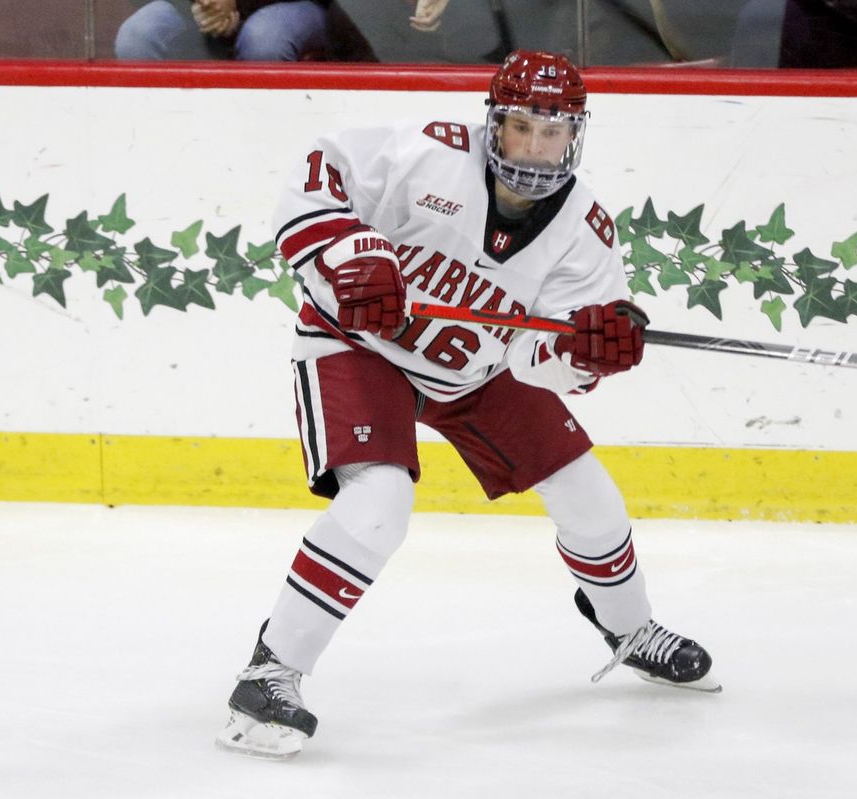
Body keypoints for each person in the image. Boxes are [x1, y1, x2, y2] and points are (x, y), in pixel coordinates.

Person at [214, 49, 720, 761]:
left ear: (576, 135)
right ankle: (267, 678)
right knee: (380, 501)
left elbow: (542, 362)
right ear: (493, 123)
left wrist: (588, 353)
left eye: (554, 132)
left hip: (475, 369)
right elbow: (317, 180)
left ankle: (630, 630)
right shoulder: (425, 156)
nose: (537, 148)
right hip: (361, 347)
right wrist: (353, 257)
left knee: (590, 494)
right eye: (521, 127)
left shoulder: (584, 231)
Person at [115, 0, 329, 61]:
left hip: (295, 5)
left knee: (264, 41)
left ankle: (266, 141)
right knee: (137, 36)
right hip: (200, 5)